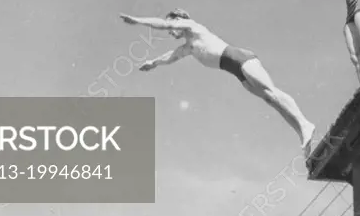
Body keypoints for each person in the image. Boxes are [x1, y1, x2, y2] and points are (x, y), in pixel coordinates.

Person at [120, 9, 316, 151]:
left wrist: (137, 21)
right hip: (235, 70)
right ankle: (302, 132)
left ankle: (305, 123)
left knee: (272, 91)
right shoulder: (189, 46)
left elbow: (165, 25)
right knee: (270, 100)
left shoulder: (192, 26)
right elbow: (171, 56)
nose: (171, 33)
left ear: (179, 19)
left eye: (173, 26)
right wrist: (153, 63)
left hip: (240, 58)